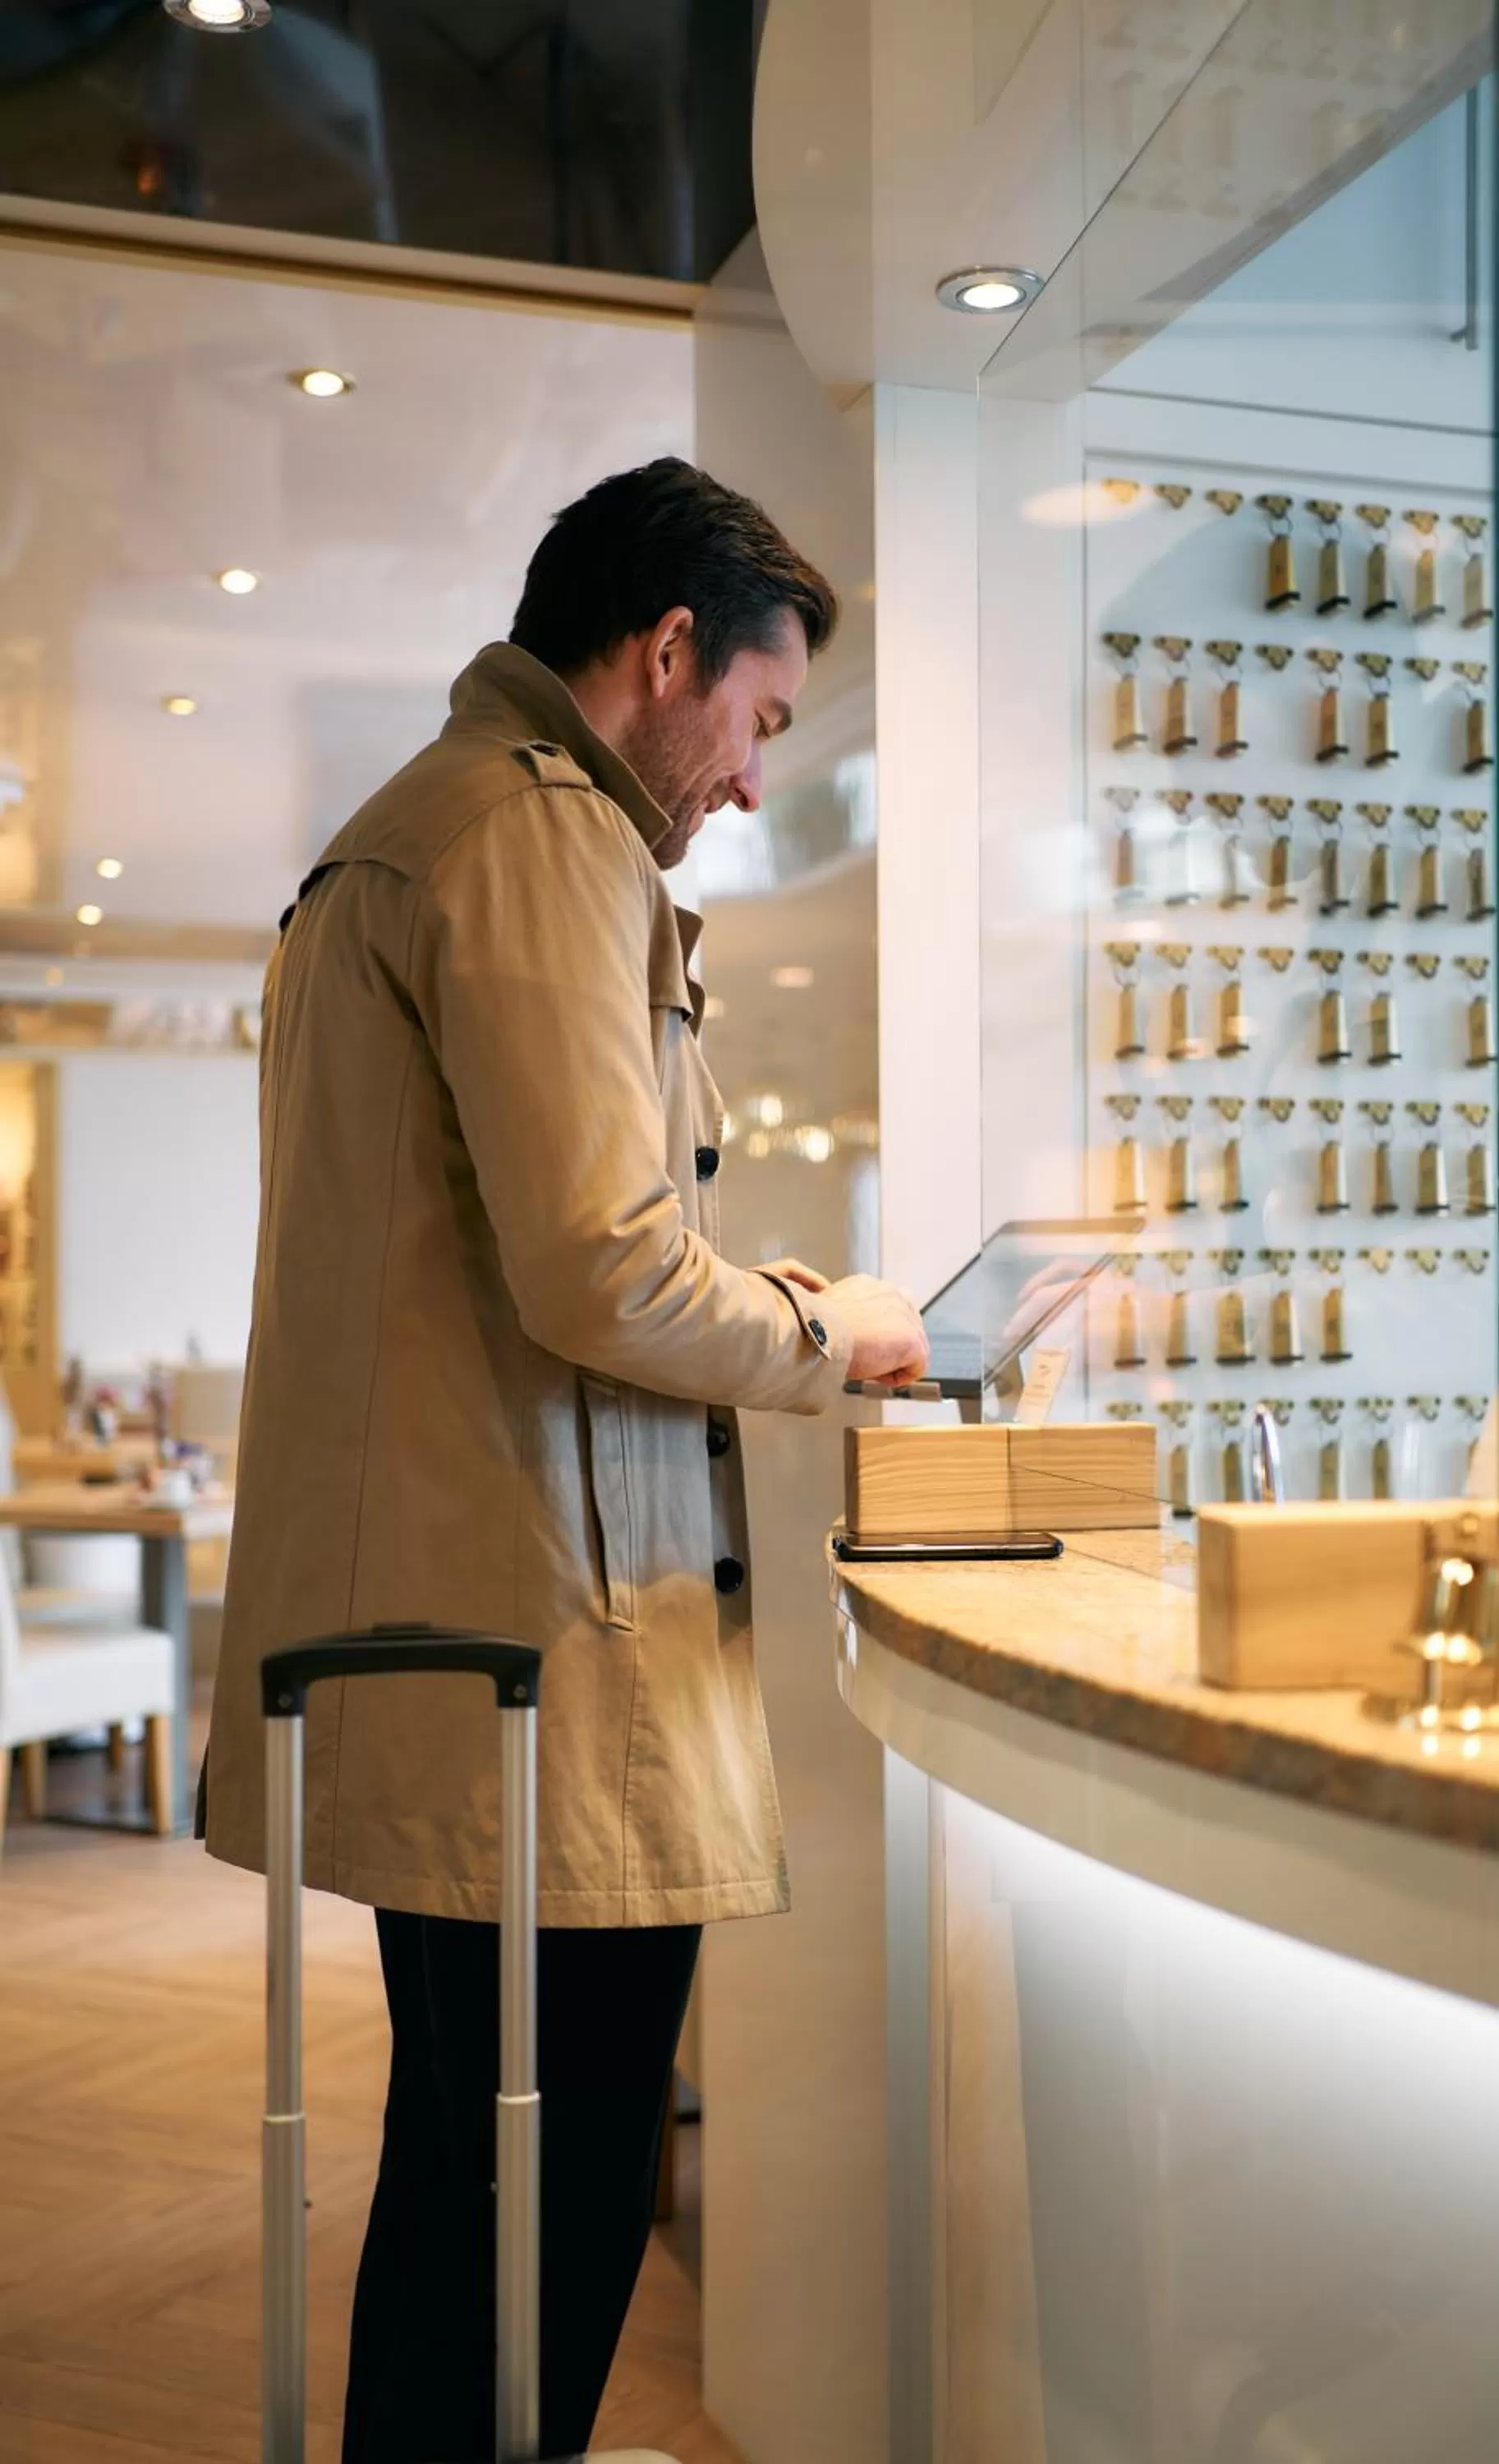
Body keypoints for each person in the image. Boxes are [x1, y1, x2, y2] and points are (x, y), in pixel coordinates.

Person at [200, 457, 928, 2462]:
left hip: (458, 1637)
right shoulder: (538, 836)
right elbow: (599, 1269)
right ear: (667, 651)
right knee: (549, 2207)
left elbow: (506, 1254)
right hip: (544, 1659)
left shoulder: (420, 827)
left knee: (468, 2188)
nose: (755, 780)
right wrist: (829, 1334)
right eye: (760, 718)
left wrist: (756, 1290)